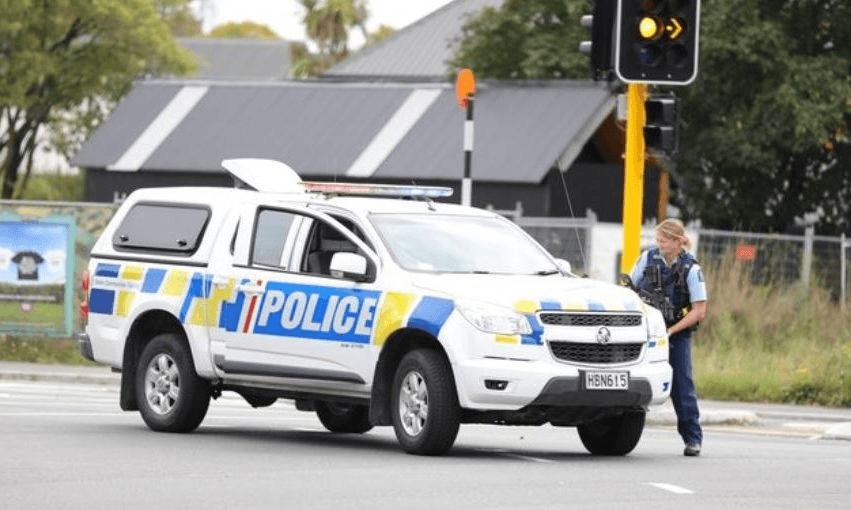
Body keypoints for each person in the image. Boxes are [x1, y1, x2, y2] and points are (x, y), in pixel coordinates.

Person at [629, 218, 707, 457]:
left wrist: (671, 331)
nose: (659, 243)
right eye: (658, 239)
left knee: (682, 386)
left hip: (676, 333)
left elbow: (699, 310)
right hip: (646, 331)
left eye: (663, 240)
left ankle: (692, 438)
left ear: (676, 242)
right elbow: (630, 290)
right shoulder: (647, 258)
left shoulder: (691, 269)